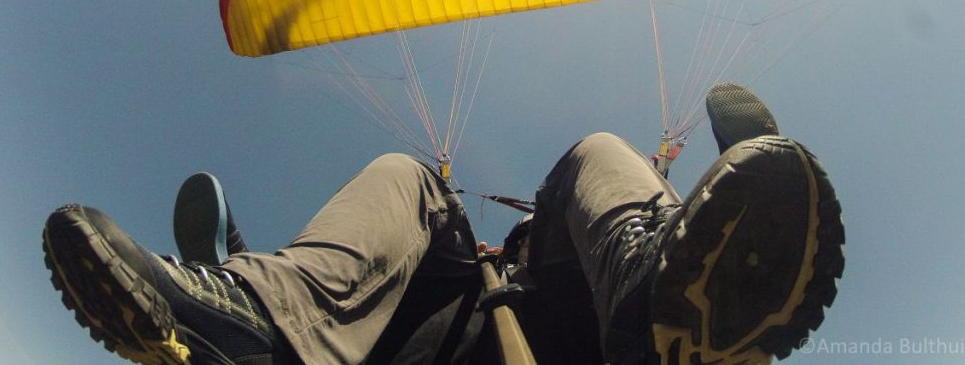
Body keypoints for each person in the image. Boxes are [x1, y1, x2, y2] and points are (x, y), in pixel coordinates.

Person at [43, 84, 844, 364]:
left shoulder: (563, 245)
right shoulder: (454, 259)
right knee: (407, 175)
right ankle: (252, 320)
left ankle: (670, 289)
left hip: (590, 326)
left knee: (599, 151)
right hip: (429, 325)